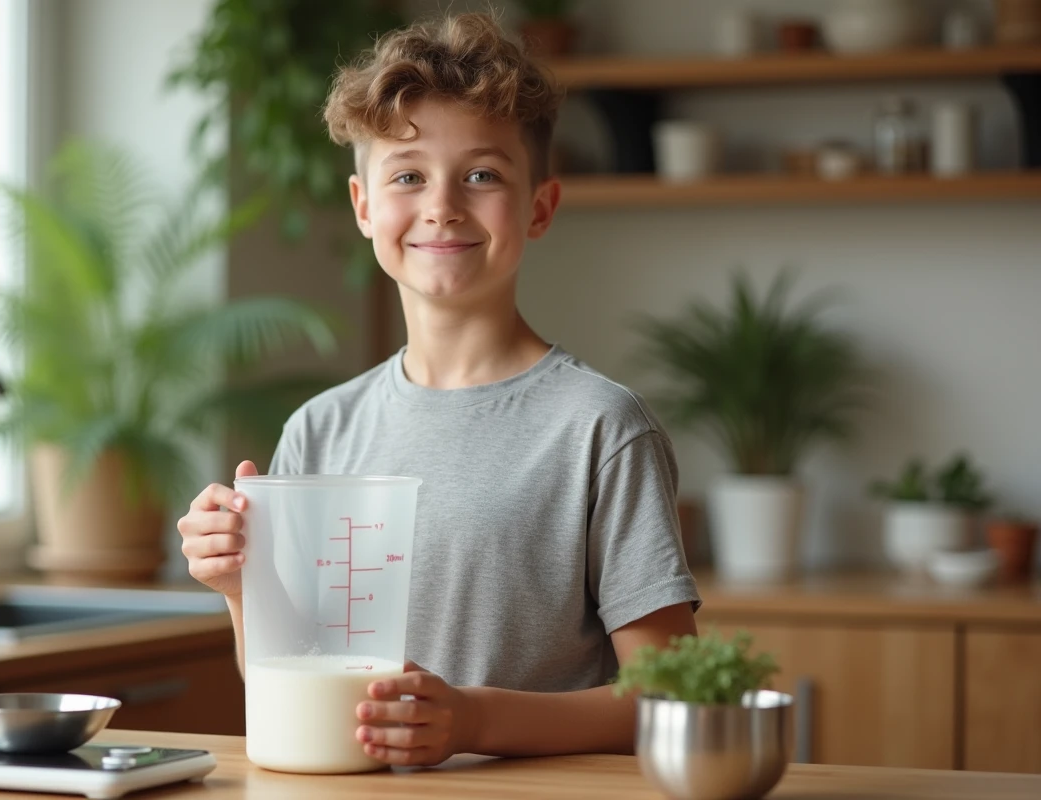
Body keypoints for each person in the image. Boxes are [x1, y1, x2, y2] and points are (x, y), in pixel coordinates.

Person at [177, 11, 700, 768]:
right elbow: (286, 679)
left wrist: (474, 721)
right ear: (364, 206)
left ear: (540, 207)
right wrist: (236, 586)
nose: (442, 205)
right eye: (408, 175)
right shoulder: (319, 431)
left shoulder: (600, 427)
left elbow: (672, 692)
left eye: (482, 175)